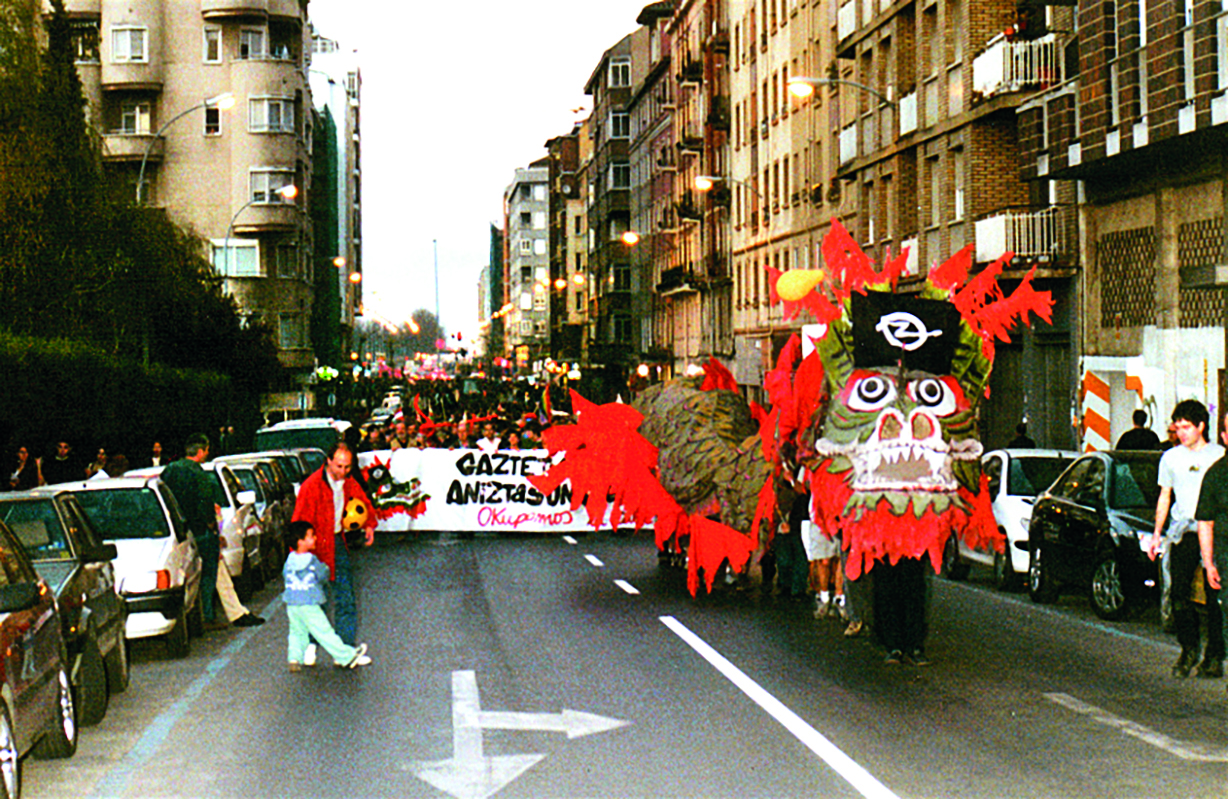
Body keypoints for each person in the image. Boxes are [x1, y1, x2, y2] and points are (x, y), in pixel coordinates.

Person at [1148, 400, 1224, 678]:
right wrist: (1157, 534)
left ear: (1201, 426)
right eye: (1177, 428)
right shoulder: (1170, 458)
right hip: (1184, 531)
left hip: (1213, 531)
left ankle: (1214, 655)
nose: (1181, 433)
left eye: (1186, 427)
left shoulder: (1219, 456)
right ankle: (1188, 648)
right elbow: (1165, 496)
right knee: (1178, 593)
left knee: (1215, 597)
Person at [291, 442, 375, 647]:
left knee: (346, 598)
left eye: (347, 467)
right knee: (316, 601)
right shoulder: (311, 486)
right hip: (314, 547)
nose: (343, 471)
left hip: (336, 543)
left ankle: (345, 648)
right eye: (339, 466)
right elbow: (299, 521)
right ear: (328, 461)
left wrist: (369, 524)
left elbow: (363, 502)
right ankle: (310, 646)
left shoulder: (349, 481)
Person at [283, 521, 371, 671]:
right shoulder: (312, 561)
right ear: (300, 541)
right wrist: (325, 569)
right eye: (311, 536)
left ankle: (294, 658)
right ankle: (347, 656)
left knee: (296, 631)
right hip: (309, 603)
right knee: (324, 632)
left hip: (292, 603)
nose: (315, 538)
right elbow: (322, 575)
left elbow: (285, 575)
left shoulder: (289, 560)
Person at [161, 434, 220, 626]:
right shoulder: (199, 473)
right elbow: (205, 502)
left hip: (179, 532)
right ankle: (207, 615)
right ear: (200, 451)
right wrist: (211, 525)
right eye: (207, 450)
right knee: (208, 573)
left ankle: (194, 613)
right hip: (200, 530)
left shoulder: (170, 470)